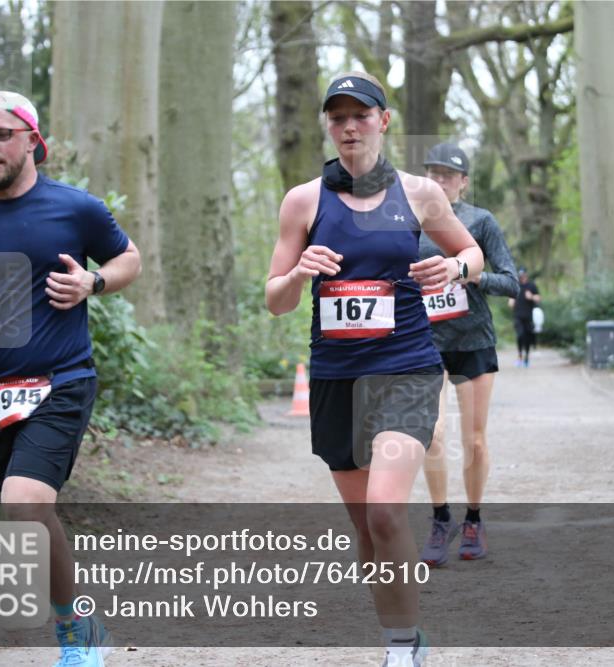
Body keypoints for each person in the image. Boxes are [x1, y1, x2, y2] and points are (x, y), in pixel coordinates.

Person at [0, 91, 141, 667]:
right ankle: (85, 621)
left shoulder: (76, 209)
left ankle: (74, 633)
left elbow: (128, 258)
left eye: (1, 134)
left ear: (32, 140)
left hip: (62, 380)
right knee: (24, 511)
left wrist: (95, 285)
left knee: (22, 506)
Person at [265, 72, 483, 667]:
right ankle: (402, 633)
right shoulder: (303, 201)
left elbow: (471, 251)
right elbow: (276, 300)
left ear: (383, 121)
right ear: (329, 127)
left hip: (406, 369)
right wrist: (298, 273)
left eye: (360, 115)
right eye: (337, 117)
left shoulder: (419, 194)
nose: (349, 126)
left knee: (386, 510)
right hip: (337, 378)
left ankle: (401, 650)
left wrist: (455, 271)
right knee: (368, 530)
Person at [416, 143, 519, 566]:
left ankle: (473, 518)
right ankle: (442, 519)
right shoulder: (411, 223)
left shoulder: (481, 221)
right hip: (425, 344)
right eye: (433, 173)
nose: (439, 180)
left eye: (448, 174)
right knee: (431, 436)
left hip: (473, 341)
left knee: (473, 441)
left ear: (463, 182)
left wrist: (471, 275)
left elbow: (512, 281)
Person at [509, 268, 541, 367]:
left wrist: (531, 296)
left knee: (527, 337)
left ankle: (526, 357)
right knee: (520, 335)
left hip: (528, 316)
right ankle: (519, 357)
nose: (521, 276)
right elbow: (510, 301)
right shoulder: (515, 285)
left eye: (523, 274)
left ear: (526, 275)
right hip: (518, 316)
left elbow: (538, 298)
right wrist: (511, 302)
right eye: (520, 275)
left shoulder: (531, 286)